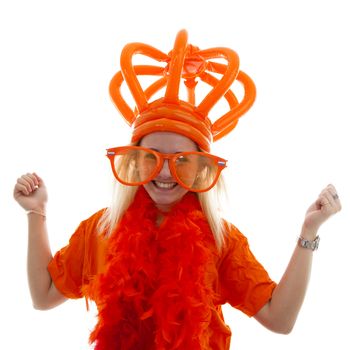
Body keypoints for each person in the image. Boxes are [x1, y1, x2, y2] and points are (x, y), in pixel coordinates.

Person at [13, 30, 341, 349]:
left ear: (202, 168)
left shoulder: (220, 240)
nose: (166, 172)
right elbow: (43, 296)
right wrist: (35, 212)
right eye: (151, 158)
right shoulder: (102, 230)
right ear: (134, 162)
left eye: (182, 160)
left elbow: (279, 320)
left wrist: (309, 231)